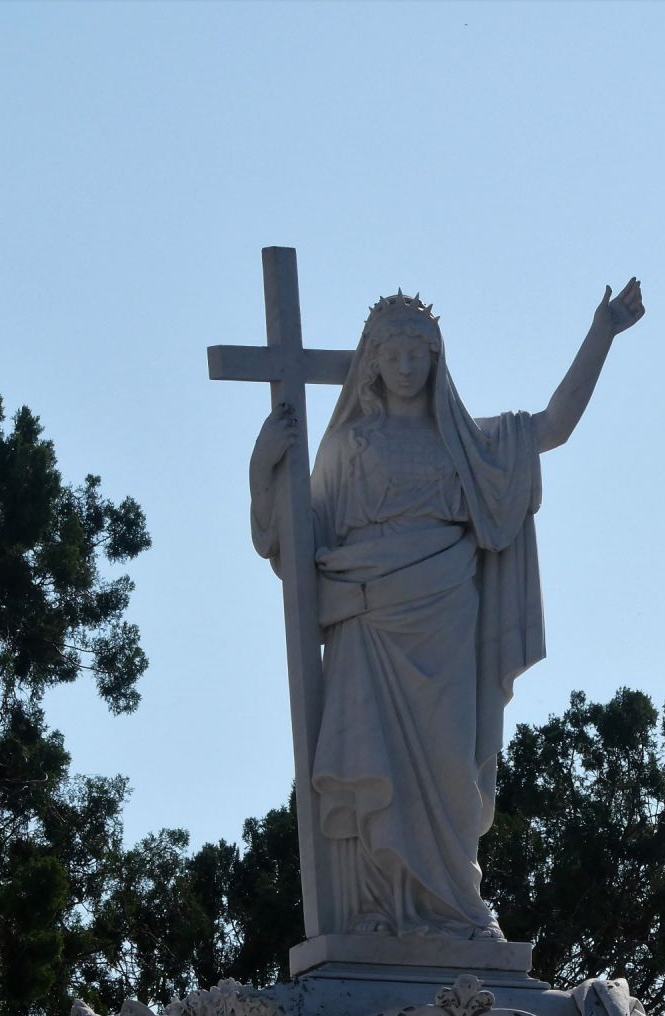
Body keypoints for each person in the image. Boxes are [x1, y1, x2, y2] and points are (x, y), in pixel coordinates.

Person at [250, 279, 644, 939]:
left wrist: (601, 331)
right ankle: (377, 914)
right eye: (394, 353)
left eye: (419, 353)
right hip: (369, 631)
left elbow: (552, 427)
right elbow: (299, 545)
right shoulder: (348, 448)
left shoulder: (468, 444)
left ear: (437, 360)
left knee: (450, 773)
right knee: (372, 767)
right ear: (371, 362)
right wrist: (263, 470)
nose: (406, 366)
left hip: (446, 624)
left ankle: (455, 909)